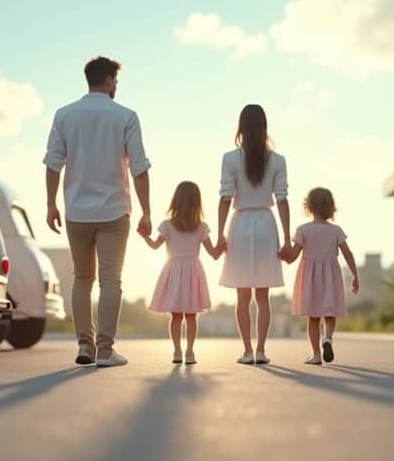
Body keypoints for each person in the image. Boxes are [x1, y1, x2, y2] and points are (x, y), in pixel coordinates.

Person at [43, 56, 152, 368]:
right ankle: (105, 349)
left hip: (76, 211)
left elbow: (53, 163)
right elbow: (140, 168)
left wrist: (51, 204)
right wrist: (146, 211)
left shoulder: (64, 115)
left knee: (82, 279)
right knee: (110, 279)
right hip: (114, 211)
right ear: (108, 81)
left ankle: (84, 345)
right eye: (116, 81)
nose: (116, 86)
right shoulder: (126, 117)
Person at [217, 104, 290, 365]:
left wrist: (219, 235)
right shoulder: (278, 160)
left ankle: (247, 351)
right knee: (263, 296)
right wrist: (289, 239)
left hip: (240, 224)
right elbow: (282, 199)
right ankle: (261, 350)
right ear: (264, 127)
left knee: (242, 296)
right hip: (267, 226)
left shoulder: (229, 158)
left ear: (241, 127)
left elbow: (225, 198)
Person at [142, 181, 223, 365]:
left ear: (176, 201)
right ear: (197, 202)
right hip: (193, 271)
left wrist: (145, 236)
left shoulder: (168, 225)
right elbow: (214, 254)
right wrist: (222, 245)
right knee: (192, 315)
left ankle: (177, 351)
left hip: (173, 271)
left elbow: (155, 246)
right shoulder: (201, 227)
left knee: (176, 315)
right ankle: (190, 352)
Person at [283, 187, 360, 365]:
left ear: (308, 206)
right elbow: (348, 253)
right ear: (330, 207)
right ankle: (328, 338)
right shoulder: (336, 230)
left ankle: (316, 355)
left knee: (313, 317)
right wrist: (355, 275)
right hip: (331, 276)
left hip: (309, 278)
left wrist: (283, 256)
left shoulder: (303, 230)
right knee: (330, 313)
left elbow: (293, 255)